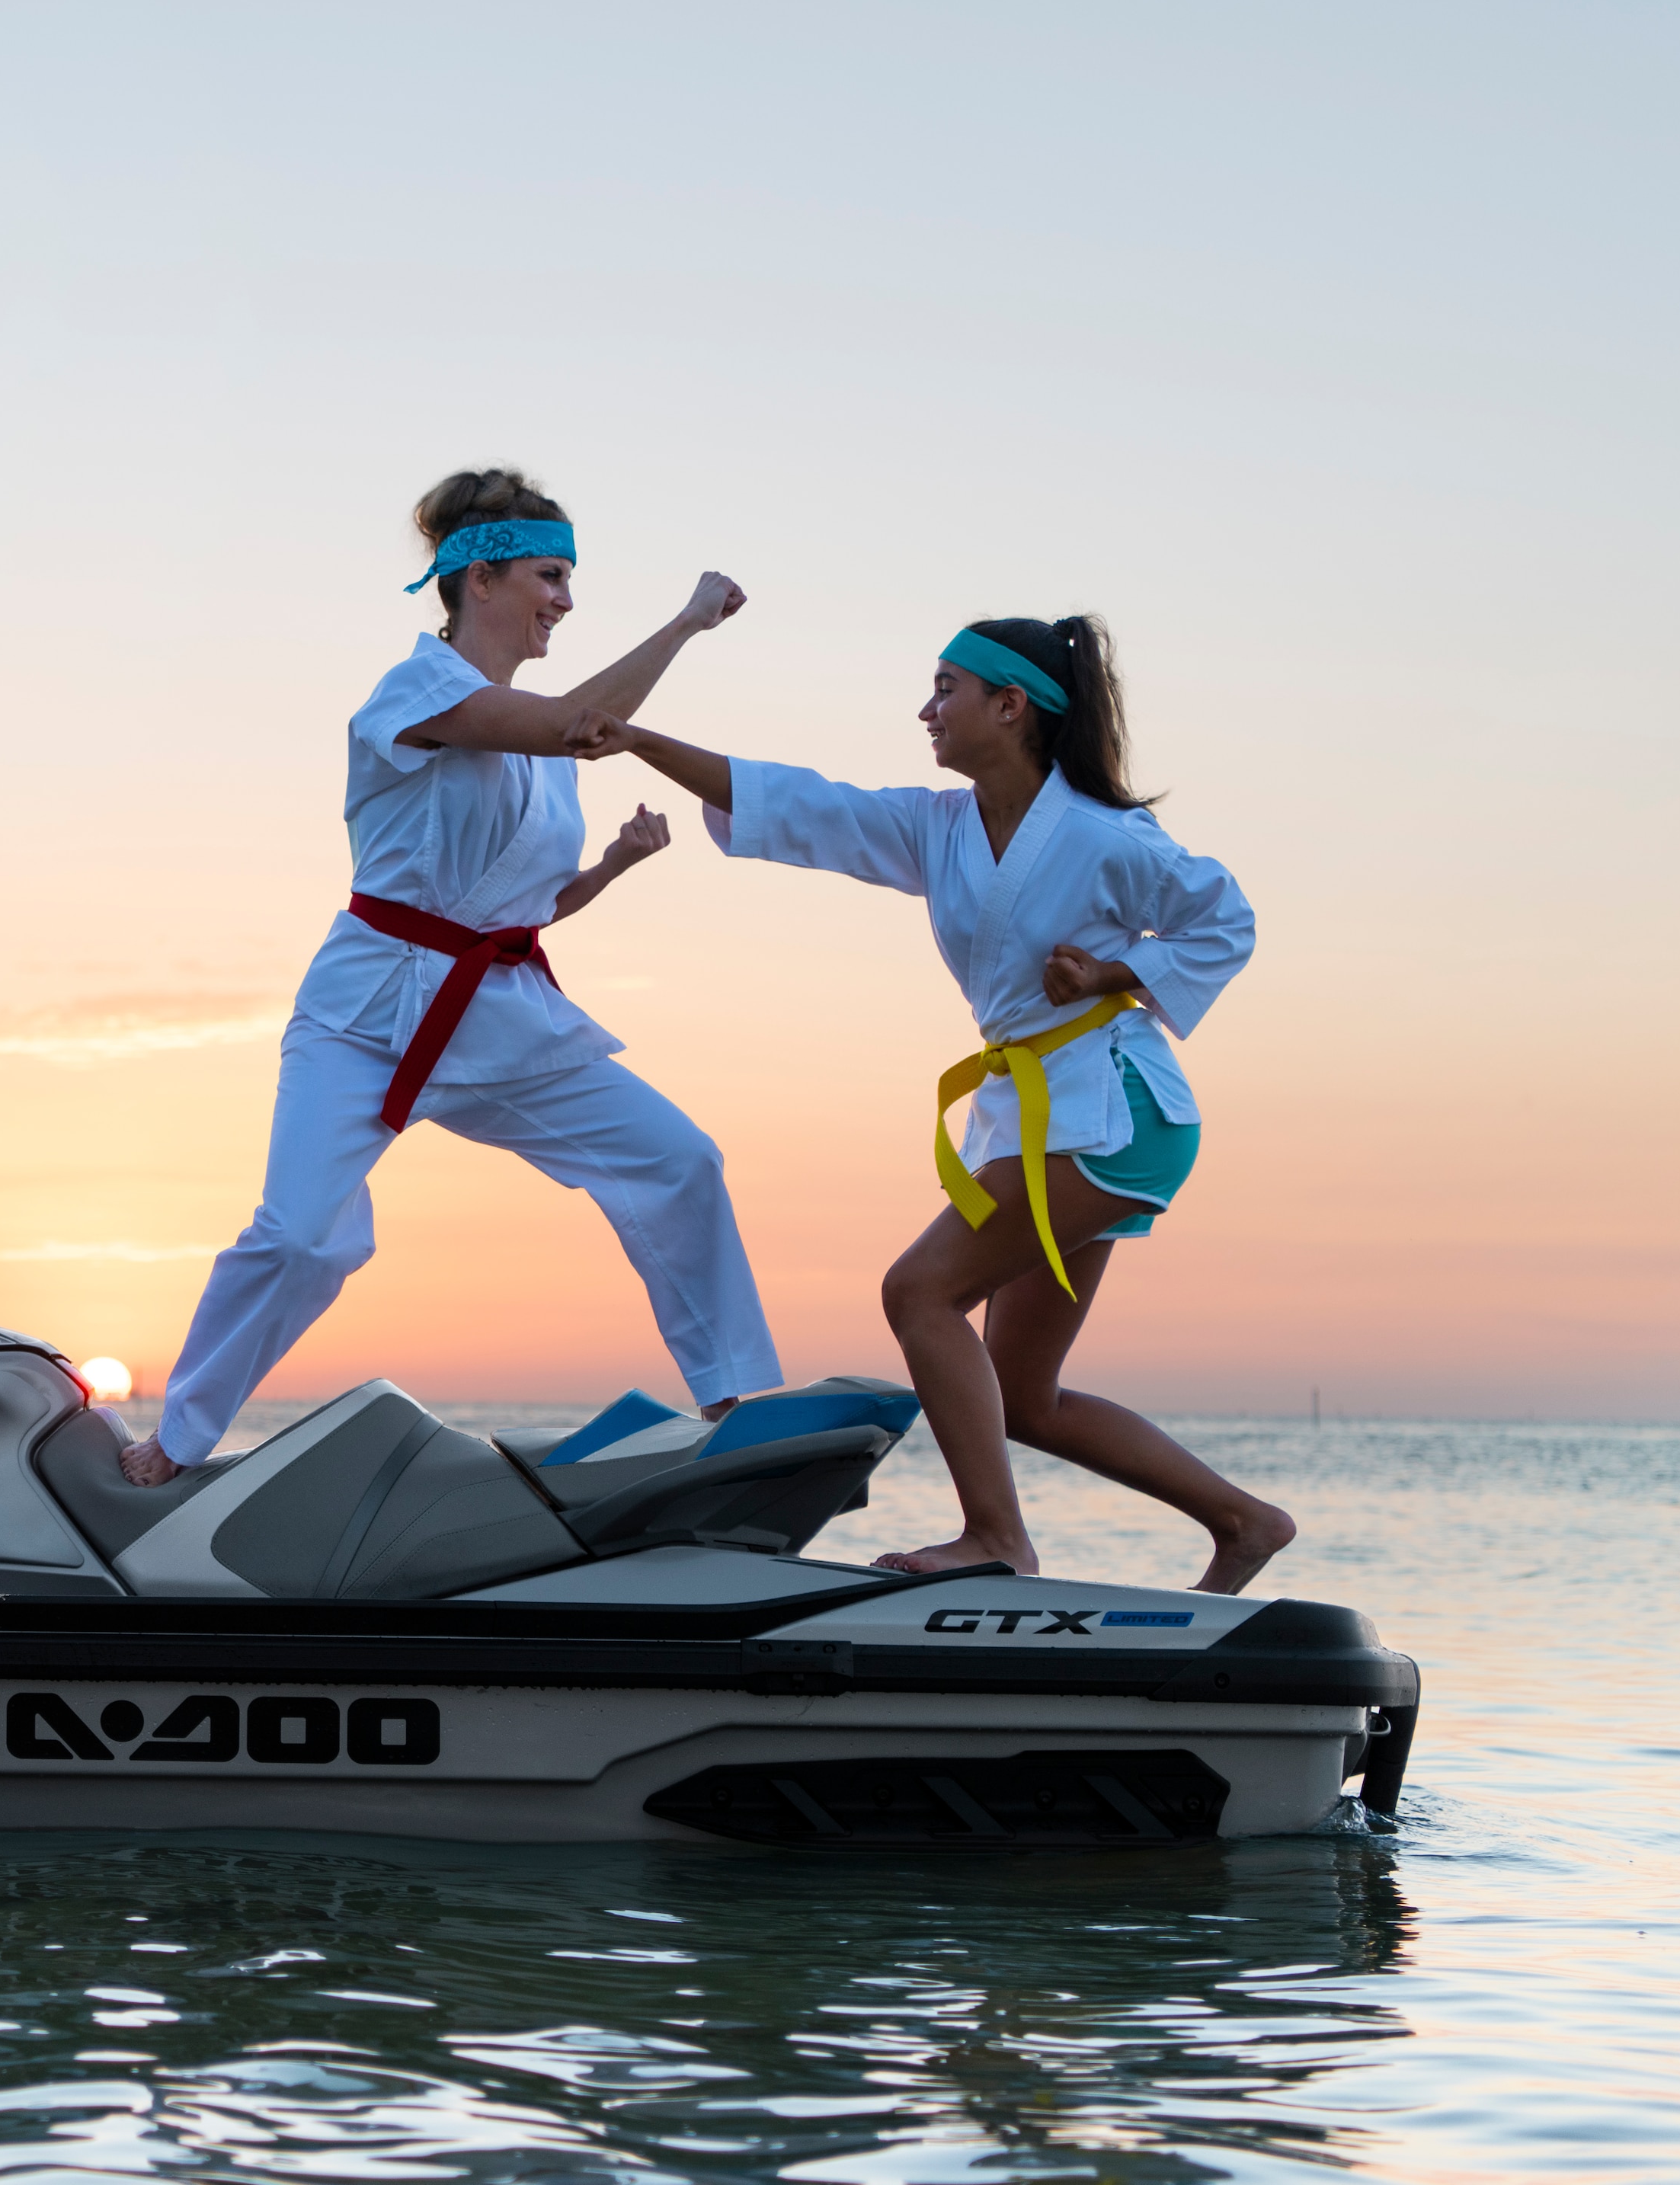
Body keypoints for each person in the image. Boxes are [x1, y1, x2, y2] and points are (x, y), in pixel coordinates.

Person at [117, 469, 785, 1486]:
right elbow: (575, 724)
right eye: (549, 574)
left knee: (678, 1160)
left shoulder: (542, 741)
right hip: (367, 1016)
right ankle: (171, 1443)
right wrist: (688, 620)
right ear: (479, 580)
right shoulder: (417, 691)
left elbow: (521, 907)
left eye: (569, 579)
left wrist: (606, 869)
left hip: (505, 1019)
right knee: (303, 1240)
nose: (564, 598)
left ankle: (736, 1403)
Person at [602, 616, 1295, 1591]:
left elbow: (1224, 919)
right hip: (1039, 1115)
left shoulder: (1103, 836)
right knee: (1021, 1399)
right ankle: (1244, 1521)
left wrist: (1110, 974)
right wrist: (639, 739)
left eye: (945, 690)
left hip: (1114, 1111)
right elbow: (802, 805)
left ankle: (995, 1539)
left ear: (1009, 707)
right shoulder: (937, 830)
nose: (926, 710)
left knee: (918, 1292)